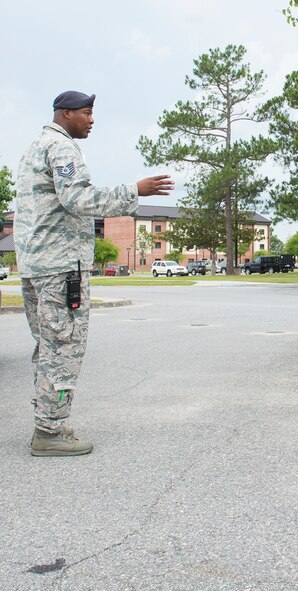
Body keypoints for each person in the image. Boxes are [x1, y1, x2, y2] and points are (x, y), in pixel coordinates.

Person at [15, 90, 174, 456]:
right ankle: (50, 433)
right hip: (60, 268)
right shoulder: (62, 147)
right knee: (64, 347)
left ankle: (49, 423)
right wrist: (134, 191)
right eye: (86, 113)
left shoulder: (34, 147)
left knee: (48, 346)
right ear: (66, 113)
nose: (91, 120)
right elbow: (79, 200)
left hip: (36, 267)